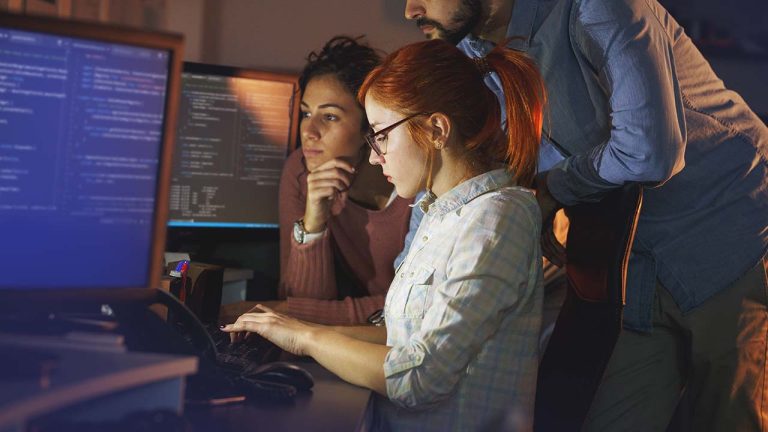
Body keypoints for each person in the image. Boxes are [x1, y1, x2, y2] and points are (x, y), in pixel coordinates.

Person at [403, 0, 768, 430]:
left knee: (729, 421)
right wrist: (406, 284)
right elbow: (456, 173)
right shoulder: (473, 54)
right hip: (635, 261)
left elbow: (650, 151)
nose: (411, 9)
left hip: (732, 232)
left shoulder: (598, 6)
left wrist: (552, 190)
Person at [223, 39, 546, 431]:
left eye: (381, 135)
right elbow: (401, 334)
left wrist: (306, 337)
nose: (374, 156)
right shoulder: (440, 212)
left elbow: (420, 377)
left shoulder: (495, 218)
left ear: (437, 129)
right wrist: (288, 332)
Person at [277, 36, 414, 325]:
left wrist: (280, 313)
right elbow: (302, 305)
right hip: (337, 343)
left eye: (329, 117)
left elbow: (413, 311)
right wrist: (313, 223)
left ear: (370, 125)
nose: (309, 131)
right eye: (305, 113)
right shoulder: (301, 170)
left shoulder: (413, 181)